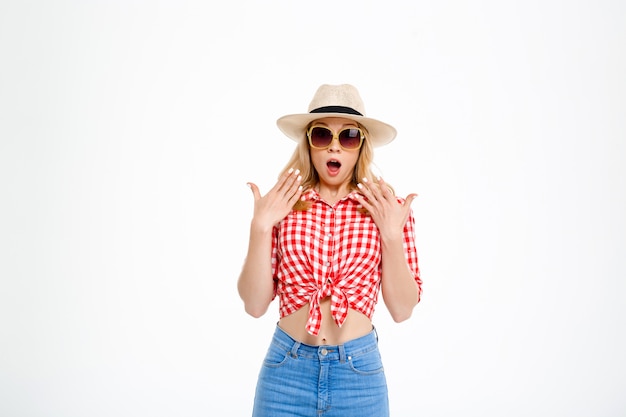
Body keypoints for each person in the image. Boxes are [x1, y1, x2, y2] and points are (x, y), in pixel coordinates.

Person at [237, 84, 422, 417]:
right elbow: (253, 305)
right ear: (308, 143)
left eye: (348, 136)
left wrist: (391, 236)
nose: (334, 146)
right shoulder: (282, 206)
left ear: (361, 145)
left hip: (358, 377)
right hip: (285, 376)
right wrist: (260, 228)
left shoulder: (387, 209)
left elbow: (402, 309)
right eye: (322, 135)